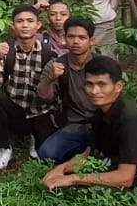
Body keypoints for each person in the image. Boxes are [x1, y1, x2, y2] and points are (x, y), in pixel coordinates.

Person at [41, 55, 137, 191]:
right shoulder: (99, 113)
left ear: (118, 86)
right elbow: (88, 155)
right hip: (117, 164)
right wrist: (61, 169)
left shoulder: (131, 119)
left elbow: (126, 178)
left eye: (102, 84)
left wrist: (73, 179)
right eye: (89, 84)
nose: (94, 91)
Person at [0, 5, 57, 169]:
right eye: (20, 21)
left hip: (40, 112)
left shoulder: (47, 52)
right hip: (15, 110)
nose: (24, 25)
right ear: (13, 26)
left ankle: (34, 137)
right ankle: (3, 147)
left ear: (38, 25)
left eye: (30, 21)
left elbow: (52, 95)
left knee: (47, 152)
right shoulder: (5, 50)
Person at [36, 16, 100, 162]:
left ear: (91, 41)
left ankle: (91, 152)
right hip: (74, 126)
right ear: (64, 38)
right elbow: (43, 98)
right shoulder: (56, 65)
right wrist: (51, 78)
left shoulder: (102, 65)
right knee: (47, 154)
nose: (76, 41)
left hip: (101, 124)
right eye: (71, 36)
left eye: (82, 37)